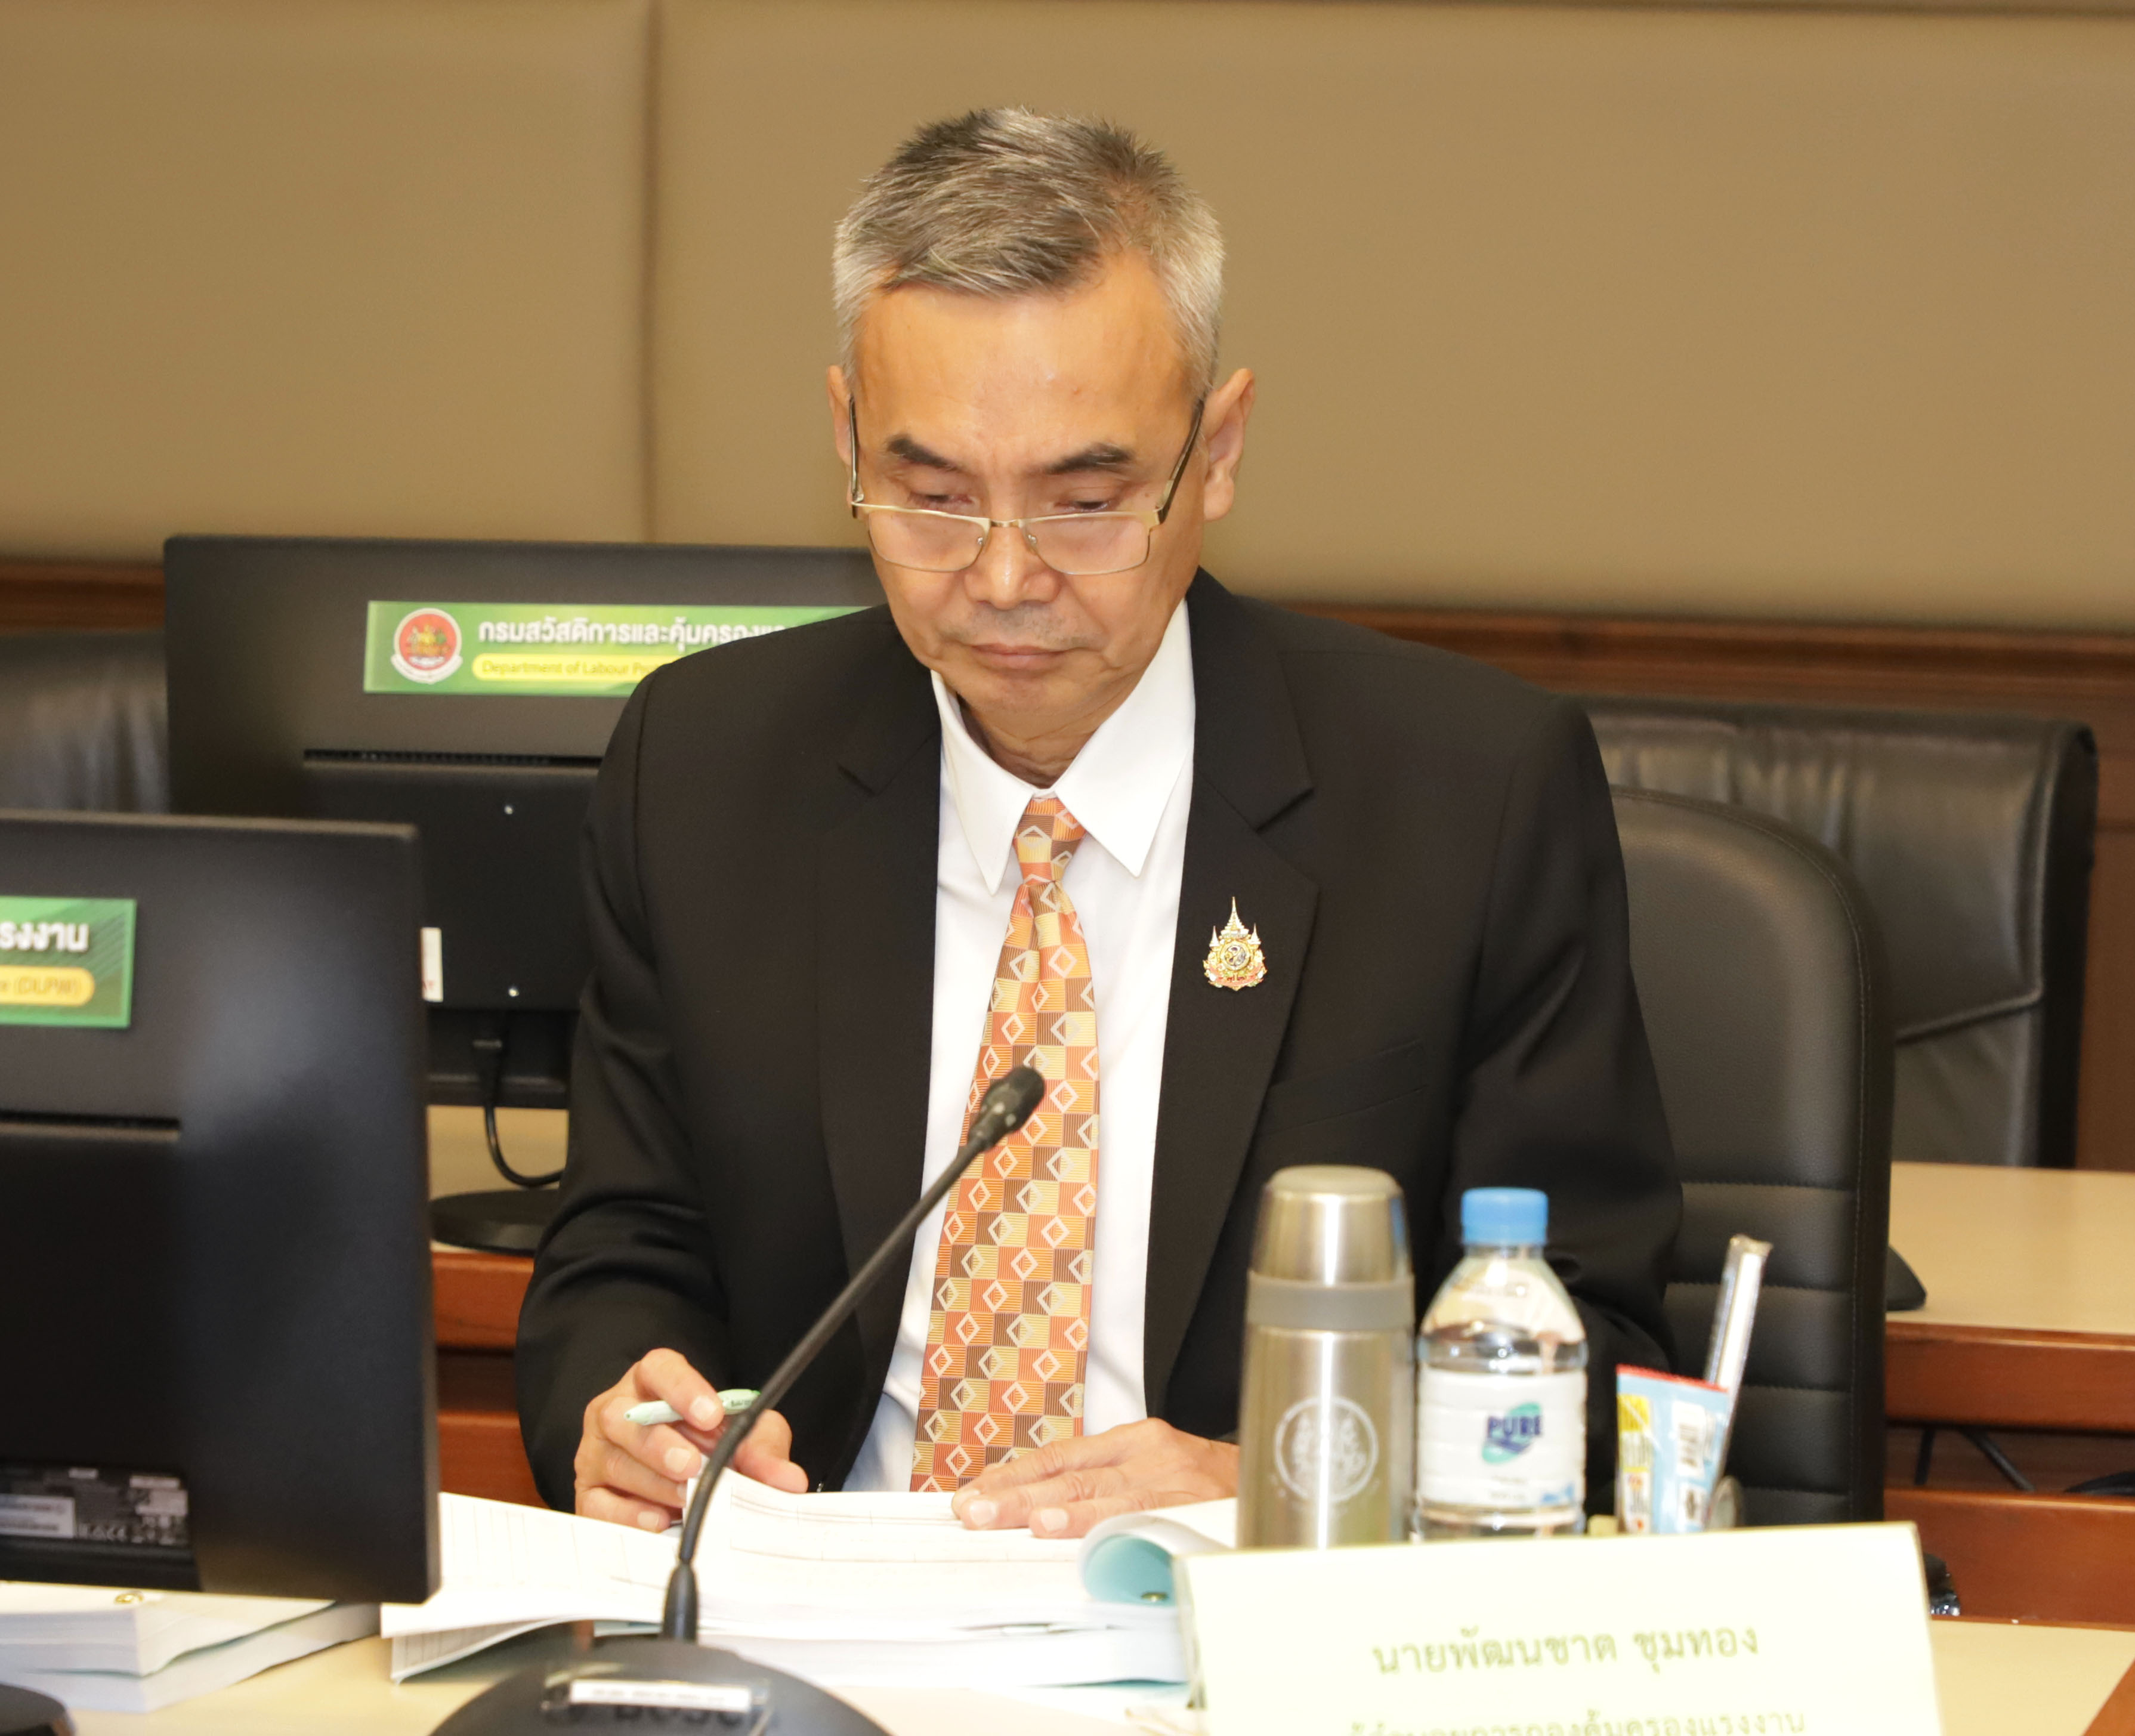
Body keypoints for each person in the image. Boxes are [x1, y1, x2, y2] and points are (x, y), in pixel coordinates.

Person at [517, 108, 1680, 1539]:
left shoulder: (1464, 796)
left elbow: (1592, 1342)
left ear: (1217, 450)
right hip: (814, 1600)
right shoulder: (703, 770)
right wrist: (629, 1421)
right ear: (845, 440)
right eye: (933, 497)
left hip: (1232, 1615)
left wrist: (1279, 1481)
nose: (1004, 580)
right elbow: (626, 1245)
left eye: (1084, 501)